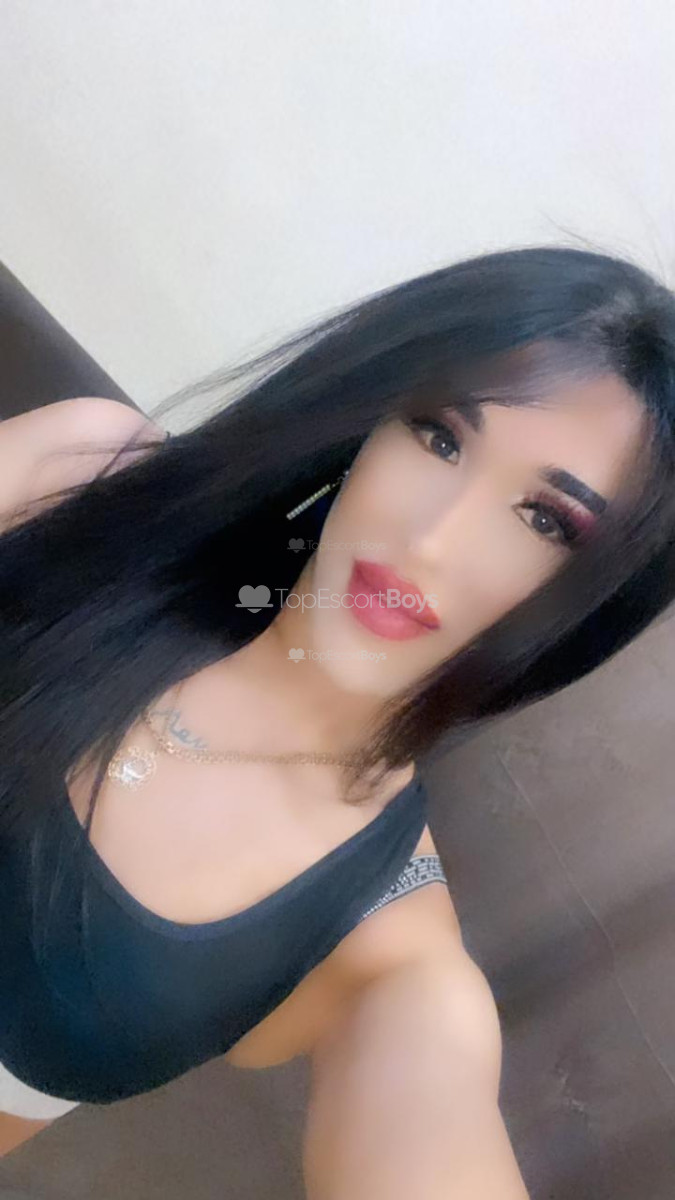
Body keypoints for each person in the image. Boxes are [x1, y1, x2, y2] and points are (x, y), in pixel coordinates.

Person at [1, 245, 674, 1196]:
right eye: (440, 437)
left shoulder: (383, 951)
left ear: (594, 595)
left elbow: (431, 1121)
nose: (428, 541)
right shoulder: (81, 479)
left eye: (544, 519)